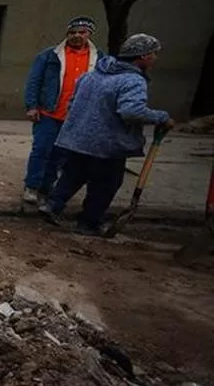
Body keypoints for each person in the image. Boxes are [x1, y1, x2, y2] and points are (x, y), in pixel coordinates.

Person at [38, 34, 174, 236]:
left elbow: (72, 104)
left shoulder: (92, 75)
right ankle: (89, 222)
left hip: (77, 138)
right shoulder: (132, 80)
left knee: (73, 174)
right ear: (143, 56)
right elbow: (131, 111)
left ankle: (53, 205)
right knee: (105, 184)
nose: (155, 58)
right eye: (153, 54)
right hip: (106, 144)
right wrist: (161, 117)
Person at [22, 16, 102, 204]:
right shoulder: (49, 56)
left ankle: (46, 188)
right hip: (49, 112)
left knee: (60, 156)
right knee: (41, 150)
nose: (76, 36)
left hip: (76, 117)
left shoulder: (99, 59)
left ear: (89, 34)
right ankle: (32, 186)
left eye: (81, 32)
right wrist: (32, 106)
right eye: (72, 32)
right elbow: (34, 81)